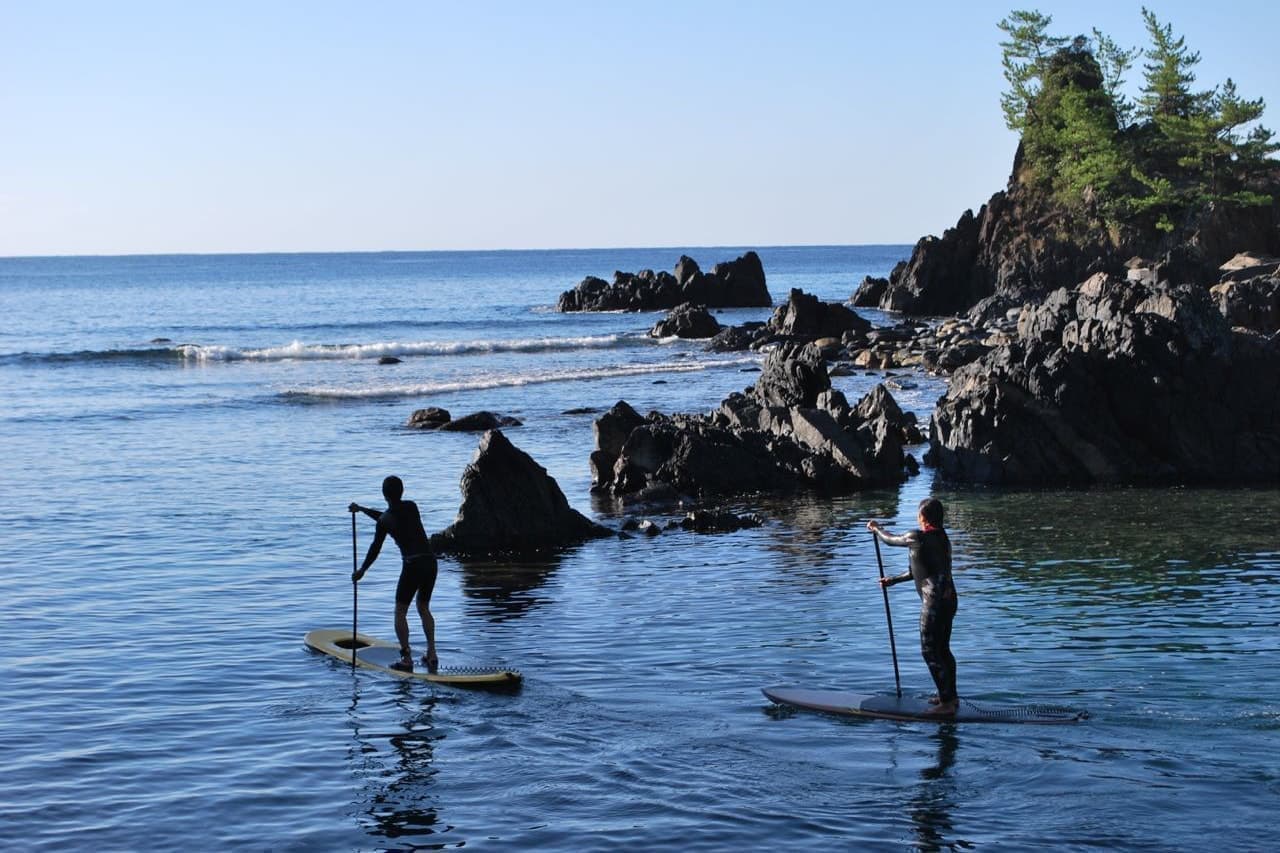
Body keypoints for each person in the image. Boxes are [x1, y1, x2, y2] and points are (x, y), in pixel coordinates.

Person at [868, 497, 959, 715]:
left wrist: (876, 528)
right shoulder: (942, 538)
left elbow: (890, 540)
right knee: (943, 649)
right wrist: (893, 580)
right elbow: (918, 572)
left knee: (929, 651)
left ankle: (946, 704)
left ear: (923, 518)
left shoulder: (916, 537)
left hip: (934, 603)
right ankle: (950, 696)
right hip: (950, 601)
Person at [350, 475, 438, 673]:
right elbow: (386, 516)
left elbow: (375, 547)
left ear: (384, 494)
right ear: (402, 491)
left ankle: (406, 659)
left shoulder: (385, 521)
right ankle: (432, 653)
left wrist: (362, 570)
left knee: (400, 612)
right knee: (423, 607)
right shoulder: (411, 507)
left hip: (413, 565)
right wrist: (363, 510)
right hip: (430, 562)